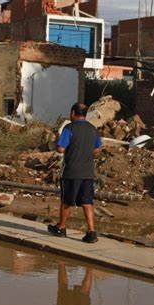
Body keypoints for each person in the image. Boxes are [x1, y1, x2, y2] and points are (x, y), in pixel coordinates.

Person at [48, 102, 102, 243]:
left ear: (73, 113)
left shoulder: (69, 128)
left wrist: (55, 144)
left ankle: (61, 227)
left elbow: (61, 149)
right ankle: (91, 232)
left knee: (66, 201)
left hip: (71, 172)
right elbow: (97, 149)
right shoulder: (93, 129)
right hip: (88, 172)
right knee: (87, 202)